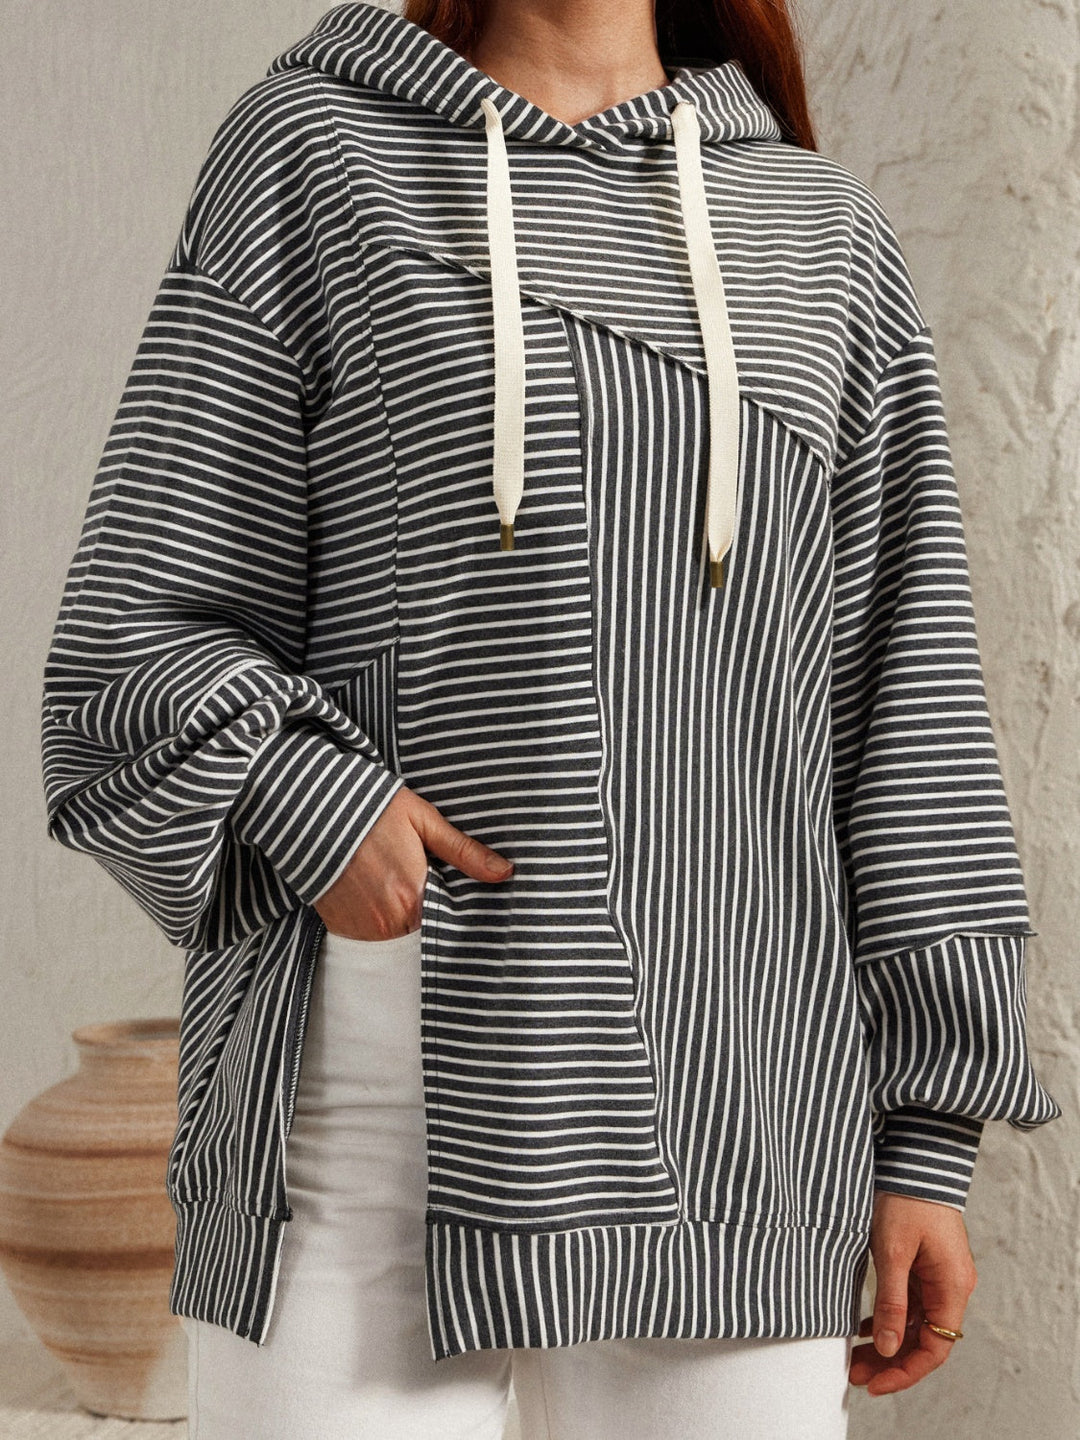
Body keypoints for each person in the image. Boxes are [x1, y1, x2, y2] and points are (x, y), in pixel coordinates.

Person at [39, 1, 1062, 1436]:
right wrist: (309, 802)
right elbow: (134, 618)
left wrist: (927, 1140)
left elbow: (908, 705)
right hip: (365, 1110)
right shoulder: (312, 154)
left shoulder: (819, 233)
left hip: (742, 1112)